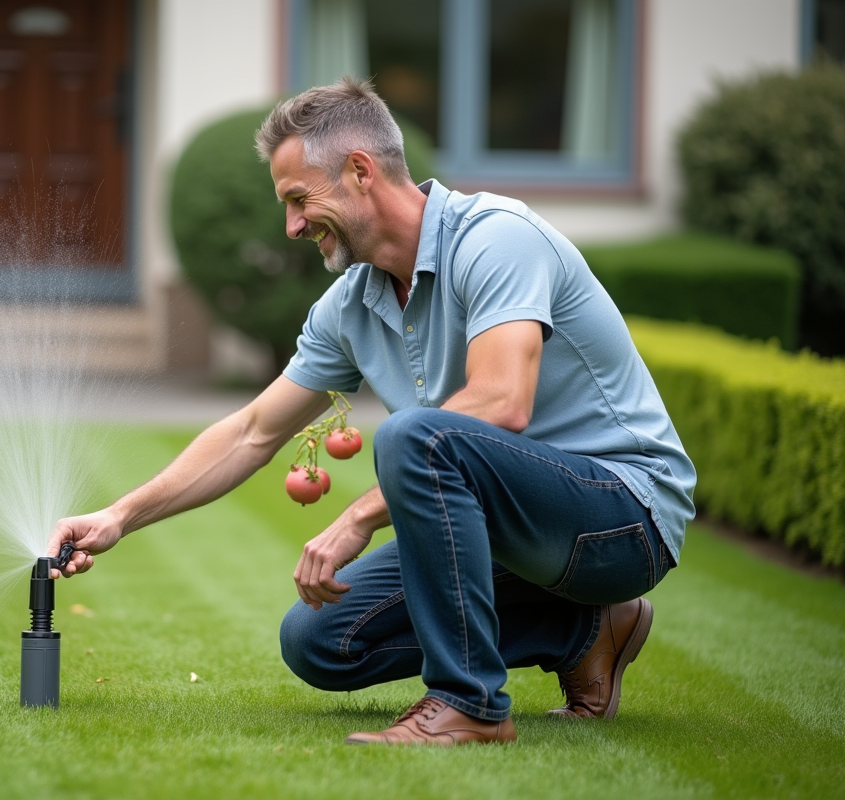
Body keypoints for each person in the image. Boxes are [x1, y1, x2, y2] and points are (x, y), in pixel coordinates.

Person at [46, 78, 696, 747]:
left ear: (360, 172)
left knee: (419, 433)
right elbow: (252, 432)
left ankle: (469, 704)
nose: (293, 226)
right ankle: (588, 629)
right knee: (320, 639)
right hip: (519, 532)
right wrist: (118, 516)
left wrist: (360, 515)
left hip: (622, 516)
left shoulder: (497, 240)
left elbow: (501, 402)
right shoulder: (351, 304)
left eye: (300, 200)